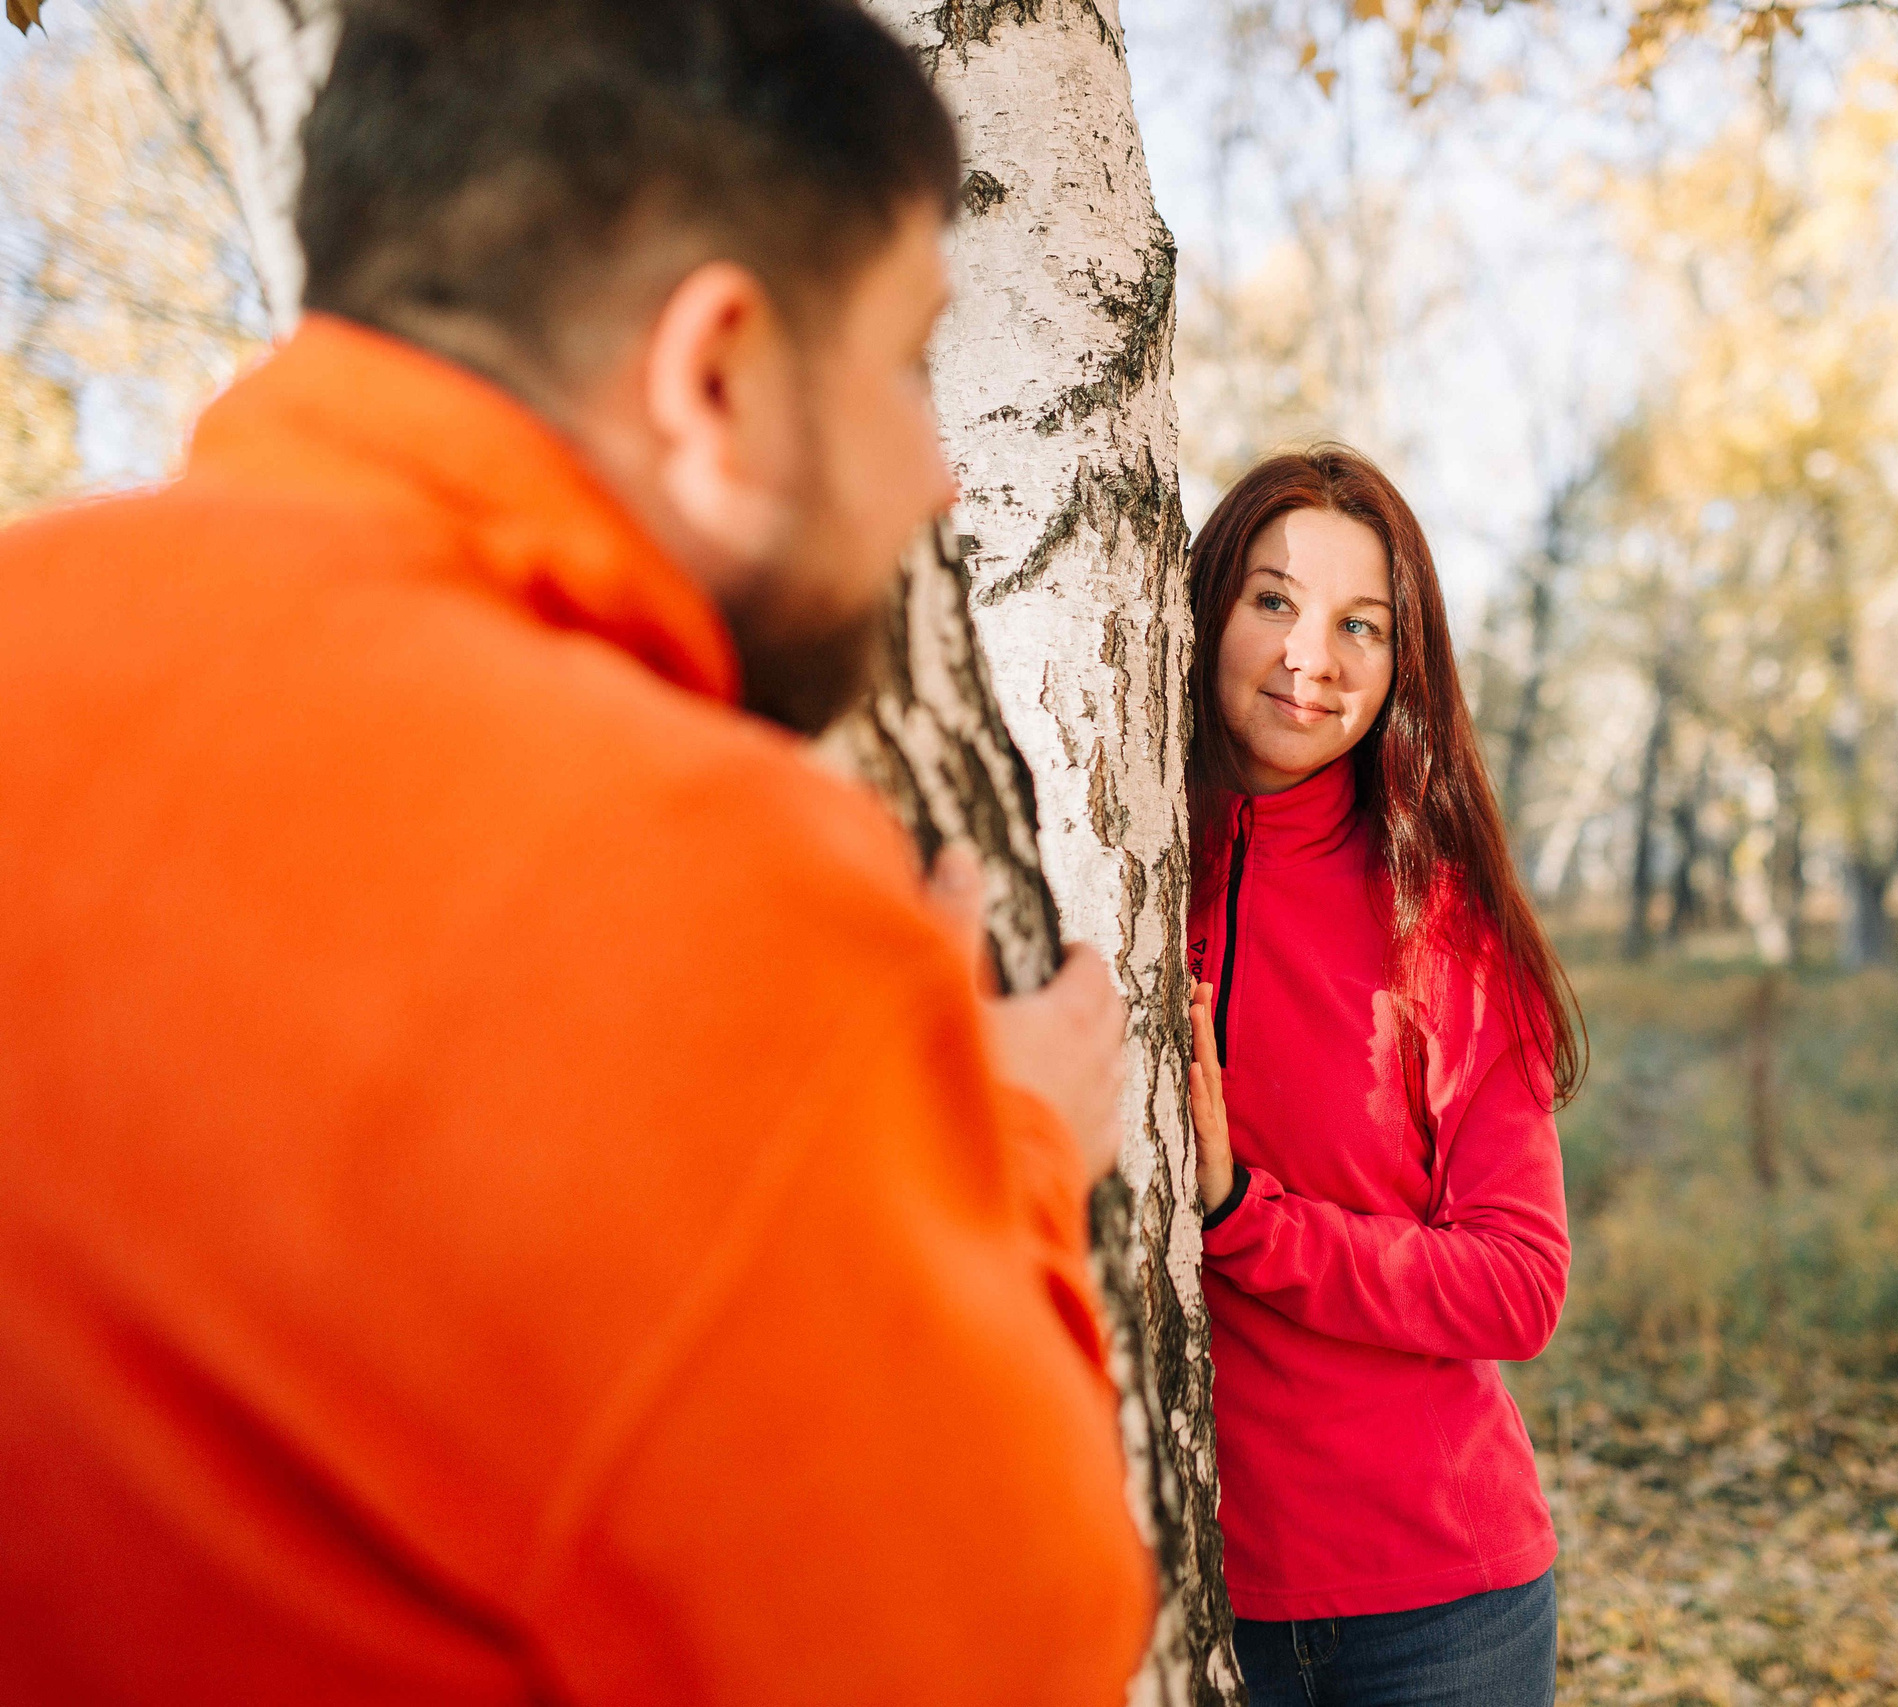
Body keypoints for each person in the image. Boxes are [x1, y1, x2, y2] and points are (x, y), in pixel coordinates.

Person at [0, 1, 1153, 1701]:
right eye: (909, 357)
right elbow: (1008, 1656)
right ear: (715, 373)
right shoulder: (716, 893)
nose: (935, 479)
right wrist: (1015, 1151)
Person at [1180, 446, 1585, 1706]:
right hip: (1178, 1592)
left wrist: (1245, 1218)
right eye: (1274, 600)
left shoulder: (1436, 919)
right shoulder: (1103, 859)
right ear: (1203, 609)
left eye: (1363, 625)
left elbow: (1519, 1286)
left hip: (1435, 1617)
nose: (1314, 658)